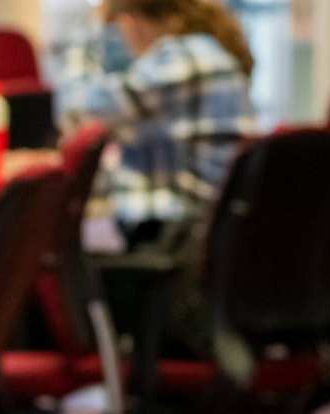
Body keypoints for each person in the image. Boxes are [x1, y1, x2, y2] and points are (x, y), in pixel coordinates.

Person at [55, 0, 256, 249]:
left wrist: (91, 27)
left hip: (174, 238)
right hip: (202, 233)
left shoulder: (184, 59)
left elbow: (77, 110)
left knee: (54, 249)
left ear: (130, 20)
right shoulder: (206, 52)